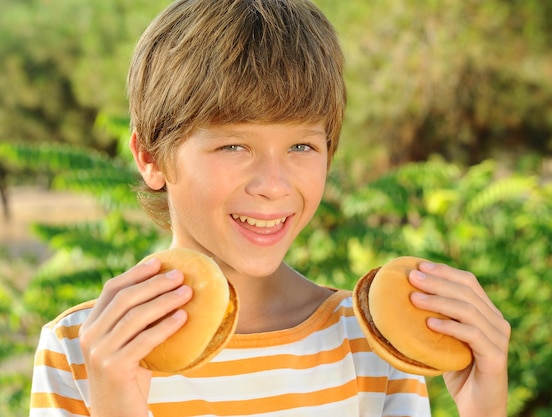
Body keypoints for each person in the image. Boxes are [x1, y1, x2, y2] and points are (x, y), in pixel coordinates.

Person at [29, 0, 510, 416]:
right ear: (151, 157)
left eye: (302, 146)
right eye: (235, 146)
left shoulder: (371, 343)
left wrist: (483, 410)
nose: (273, 186)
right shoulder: (83, 349)